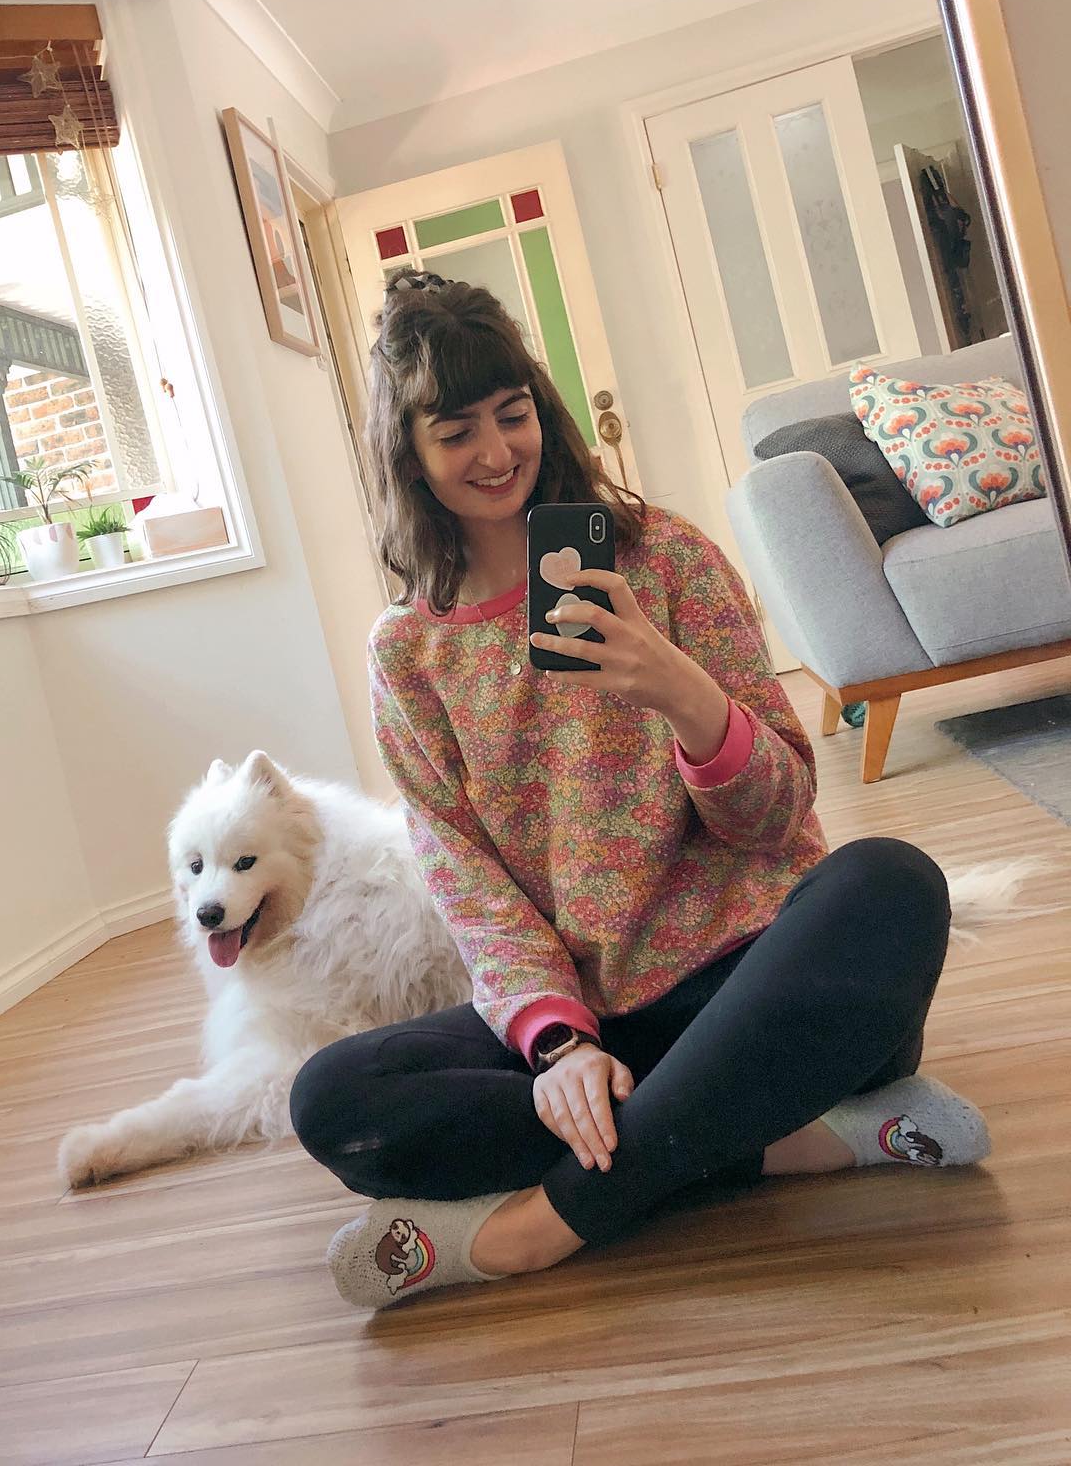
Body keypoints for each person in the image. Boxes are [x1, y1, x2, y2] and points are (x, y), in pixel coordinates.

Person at [290, 271, 989, 1310]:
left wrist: (683, 694)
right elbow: (465, 878)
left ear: (541, 409)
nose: (496, 454)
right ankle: (788, 1140)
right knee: (336, 1099)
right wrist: (561, 1042)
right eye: (455, 433)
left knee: (889, 885)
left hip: (752, 984)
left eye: (512, 414)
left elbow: (779, 816)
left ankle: (541, 1225)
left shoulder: (667, 558)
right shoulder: (409, 653)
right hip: (595, 1023)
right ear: (410, 455)